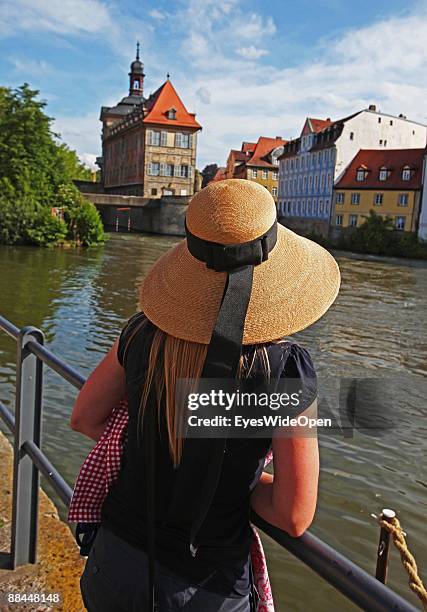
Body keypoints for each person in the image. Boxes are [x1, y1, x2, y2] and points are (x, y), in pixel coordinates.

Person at [70, 179, 340, 612]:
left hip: (114, 563)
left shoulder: (141, 334)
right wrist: (232, 484)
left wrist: (155, 452)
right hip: (204, 589)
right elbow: (293, 515)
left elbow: (84, 418)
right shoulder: (284, 367)